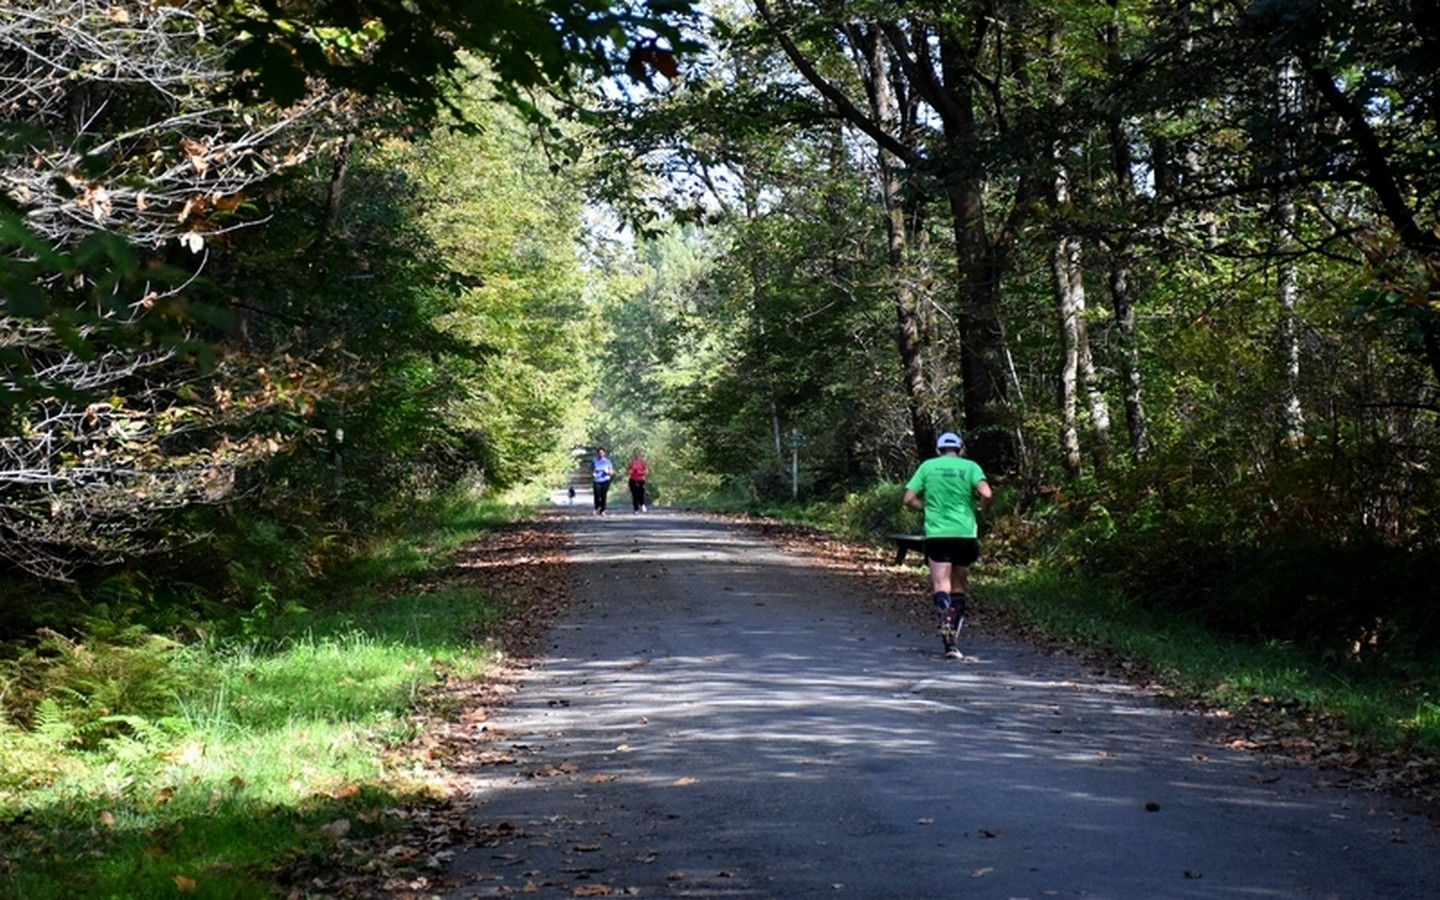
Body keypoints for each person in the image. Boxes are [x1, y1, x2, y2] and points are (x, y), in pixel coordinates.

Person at [902, 431, 992, 659]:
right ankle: (954, 636)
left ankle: (946, 621)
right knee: (959, 584)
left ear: (937, 450)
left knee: (941, 583)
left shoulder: (927, 467)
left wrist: (926, 507)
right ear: (961, 449)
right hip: (964, 533)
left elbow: (908, 499)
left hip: (937, 534)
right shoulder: (971, 467)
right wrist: (981, 510)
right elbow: (986, 493)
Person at [591, 447, 614, 516]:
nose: (601, 454)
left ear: (604, 453)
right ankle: (596, 507)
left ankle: (602, 510)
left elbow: (611, 472)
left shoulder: (608, 461)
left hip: (605, 480)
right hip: (597, 480)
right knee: (597, 495)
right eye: (599, 453)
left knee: (603, 495)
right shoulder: (594, 461)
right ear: (597, 453)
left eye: (602, 452)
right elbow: (592, 470)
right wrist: (593, 474)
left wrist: (608, 472)